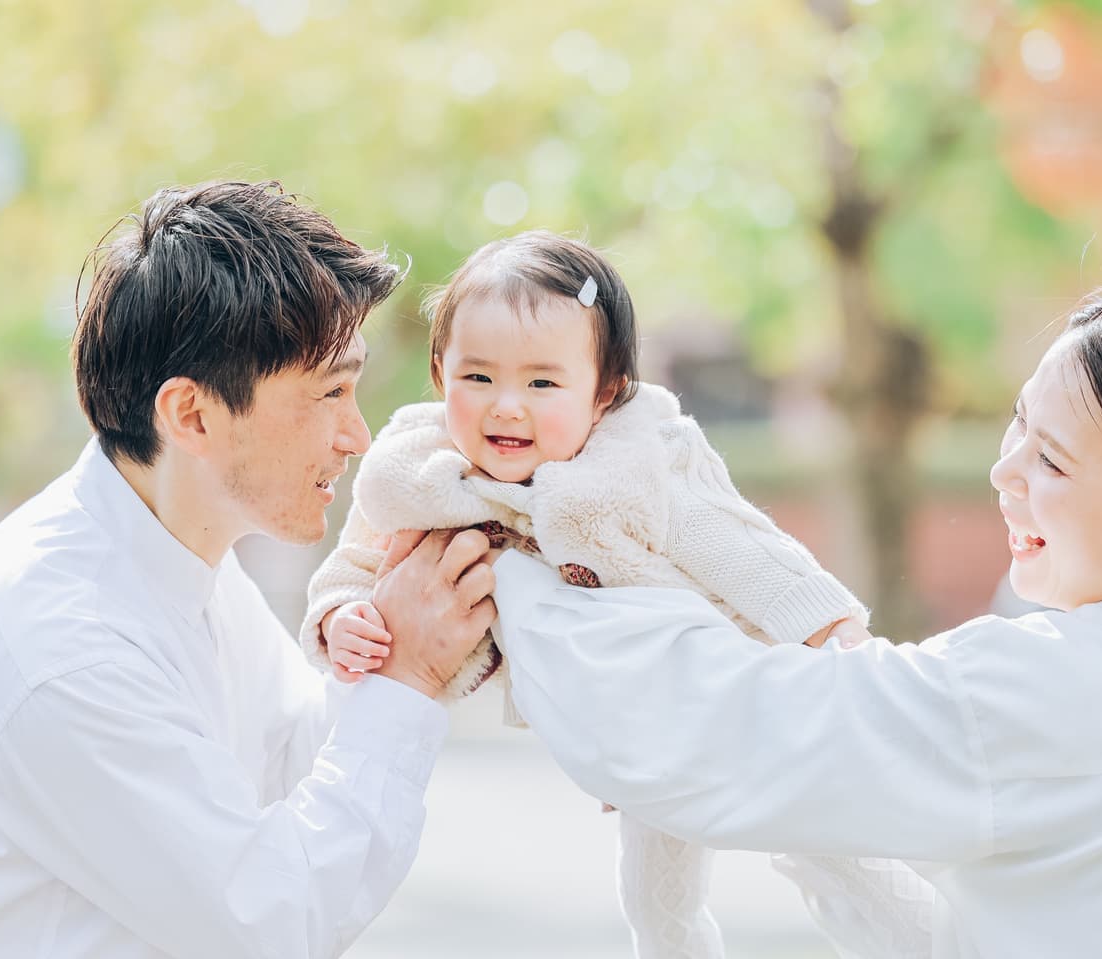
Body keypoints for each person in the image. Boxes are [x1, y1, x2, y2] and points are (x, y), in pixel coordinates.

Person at [491, 282, 1102, 957]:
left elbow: (707, 729)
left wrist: (504, 561)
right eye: (1019, 422)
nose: (1003, 471)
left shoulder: (1055, 687)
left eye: (1051, 459)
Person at [0, 181, 499, 958]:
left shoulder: (177, 558)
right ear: (191, 415)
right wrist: (407, 675)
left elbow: (292, 757)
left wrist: (408, 629)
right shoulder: (59, 647)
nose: (357, 434)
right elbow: (270, 919)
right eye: (330, 392)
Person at [298, 230, 881, 958]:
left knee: (823, 842)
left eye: (542, 384)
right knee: (655, 899)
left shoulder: (633, 468)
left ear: (604, 392)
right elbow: (358, 561)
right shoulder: (417, 470)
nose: (506, 407)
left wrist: (829, 627)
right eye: (477, 377)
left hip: (714, 685)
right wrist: (340, 616)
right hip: (623, 724)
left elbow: (743, 549)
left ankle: (929, 935)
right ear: (440, 372)